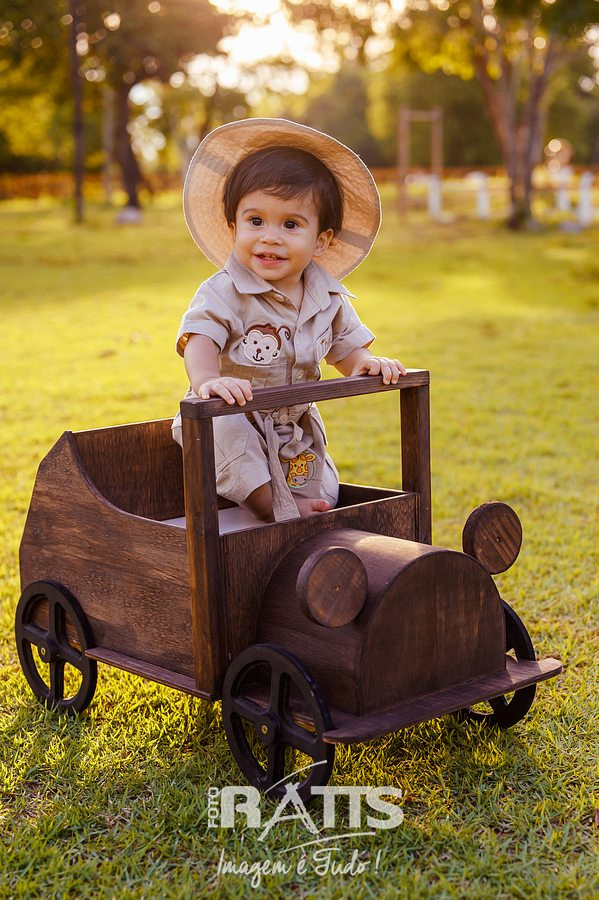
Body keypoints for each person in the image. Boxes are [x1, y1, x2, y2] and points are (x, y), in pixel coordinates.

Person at [172, 118, 406, 523]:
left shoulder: (326, 297)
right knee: (231, 439)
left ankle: (295, 503)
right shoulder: (224, 292)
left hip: (292, 425)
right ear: (234, 227)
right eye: (255, 221)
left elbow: (347, 351)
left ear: (321, 240)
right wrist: (208, 381)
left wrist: (367, 363)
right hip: (227, 416)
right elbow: (200, 338)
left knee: (326, 490)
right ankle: (268, 506)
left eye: (291, 224)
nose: (271, 237)